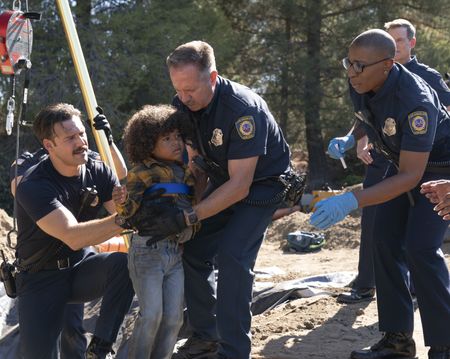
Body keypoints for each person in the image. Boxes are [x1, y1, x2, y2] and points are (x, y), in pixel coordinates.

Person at [138, 41, 291, 359]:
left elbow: (240, 186)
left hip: (263, 184)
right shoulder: (181, 105)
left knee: (234, 256)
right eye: (178, 89)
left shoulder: (242, 110)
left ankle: (234, 350)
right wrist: (185, 210)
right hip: (224, 177)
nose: (183, 97)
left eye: (190, 89)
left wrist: (189, 217)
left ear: (213, 77)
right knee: (193, 247)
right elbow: (196, 163)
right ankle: (205, 335)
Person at [311, 29, 450, 359]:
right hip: (400, 159)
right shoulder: (359, 80)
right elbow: (368, 115)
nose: (351, 72)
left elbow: (411, 176)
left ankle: (445, 344)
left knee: (421, 248)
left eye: (359, 65)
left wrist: (351, 198)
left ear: (387, 64)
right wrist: (352, 139)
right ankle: (397, 341)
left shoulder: (415, 100)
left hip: (438, 166)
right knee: (383, 240)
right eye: (349, 63)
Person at [14, 103, 134, 359]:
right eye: (70, 138)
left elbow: (123, 209)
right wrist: (125, 220)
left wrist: (133, 207)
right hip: (39, 278)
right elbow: (72, 235)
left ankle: (100, 348)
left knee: (122, 265)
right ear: (49, 146)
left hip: (80, 268)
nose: (81, 142)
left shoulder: (97, 169)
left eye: (82, 134)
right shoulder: (34, 184)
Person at [113, 104, 200, 359]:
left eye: (178, 137)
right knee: (151, 315)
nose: (176, 143)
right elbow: (127, 214)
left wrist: (188, 232)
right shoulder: (141, 172)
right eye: (166, 138)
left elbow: (194, 207)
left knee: (173, 318)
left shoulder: (185, 172)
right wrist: (120, 200)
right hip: (147, 252)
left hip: (175, 253)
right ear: (147, 143)